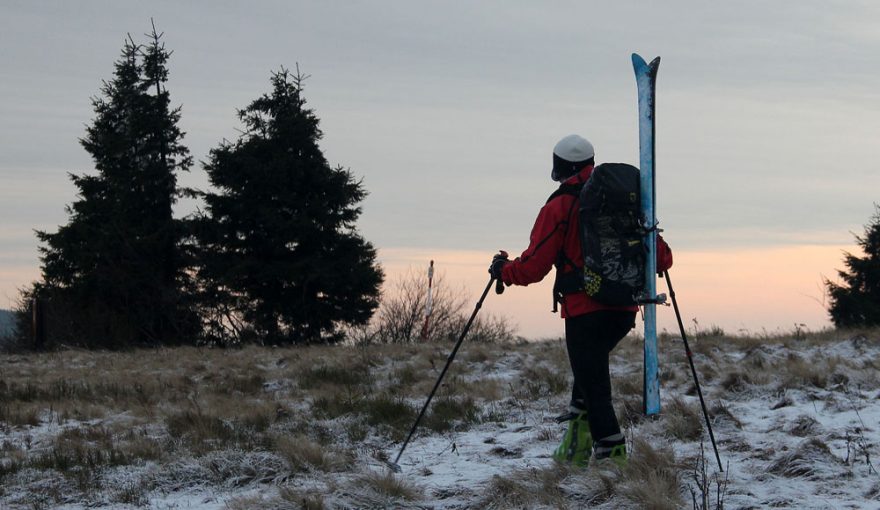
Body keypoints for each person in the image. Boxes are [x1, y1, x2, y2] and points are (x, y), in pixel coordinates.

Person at [489, 134, 673, 467]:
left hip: (583, 310)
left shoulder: (559, 205)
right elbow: (662, 259)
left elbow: (534, 267)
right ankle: (574, 449)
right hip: (624, 308)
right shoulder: (626, 200)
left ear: (558, 166)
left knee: (595, 386)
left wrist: (504, 271)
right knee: (589, 376)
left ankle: (611, 461)